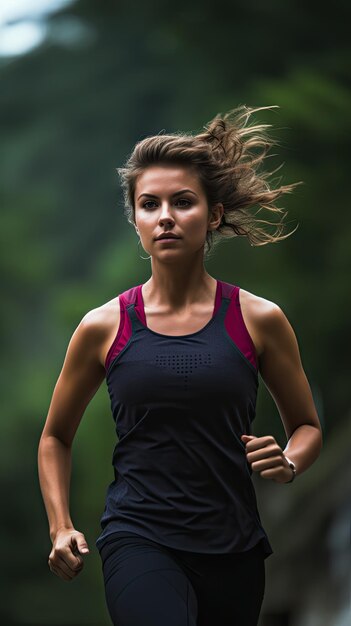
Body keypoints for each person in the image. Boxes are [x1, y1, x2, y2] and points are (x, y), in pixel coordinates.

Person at [38, 105, 323, 626]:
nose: (165, 215)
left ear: (212, 215)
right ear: (137, 222)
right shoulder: (104, 326)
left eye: (183, 202)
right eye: (150, 204)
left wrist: (289, 461)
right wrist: (60, 525)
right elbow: (55, 436)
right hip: (137, 535)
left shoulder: (258, 318)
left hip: (233, 545)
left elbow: (305, 427)